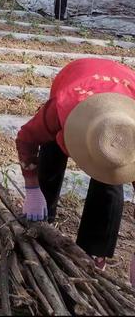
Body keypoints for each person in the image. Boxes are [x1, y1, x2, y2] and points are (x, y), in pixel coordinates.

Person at [16, 57, 135, 285]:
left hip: (124, 92)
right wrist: (32, 188)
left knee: (109, 178)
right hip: (77, 78)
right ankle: (42, 222)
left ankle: (93, 251)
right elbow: (26, 139)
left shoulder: (128, 138)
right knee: (51, 150)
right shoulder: (62, 107)